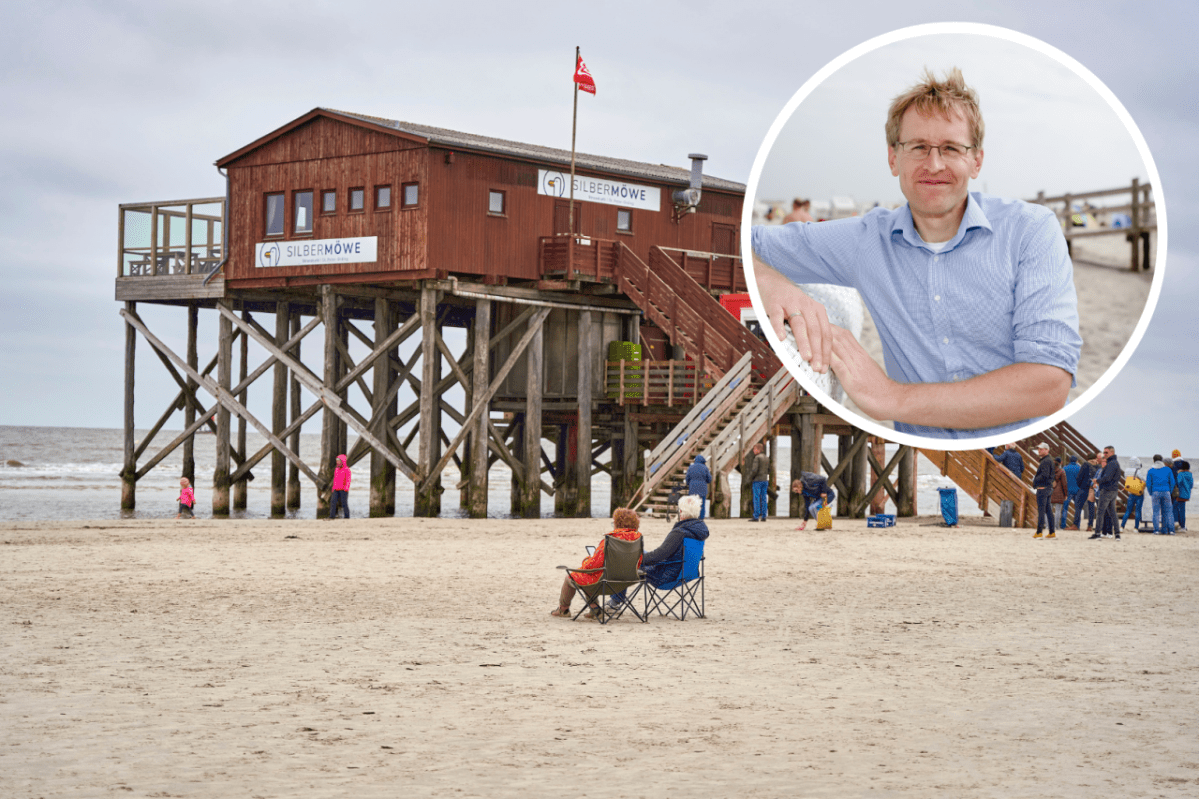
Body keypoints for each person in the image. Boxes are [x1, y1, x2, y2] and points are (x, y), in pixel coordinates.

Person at [751, 67, 1081, 438]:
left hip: (1025, 457)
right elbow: (743, 242)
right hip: (924, 453)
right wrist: (771, 285)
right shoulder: (865, 241)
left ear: (977, 160)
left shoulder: (1030, 230)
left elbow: (1049, 382)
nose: (934, 164)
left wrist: (892, 397)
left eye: (951, 148)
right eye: (919, 147)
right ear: (893, 158)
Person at [607, 495, 709, 612]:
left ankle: (615, 601)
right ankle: (616, 600)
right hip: (685, 573)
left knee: (624, 561)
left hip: (665, 576)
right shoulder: (699, 532)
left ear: (680, 512)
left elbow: (658, 556)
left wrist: (635, 558)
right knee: (635, 553)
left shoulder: (680, 532)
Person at [552, 508, 642, 619]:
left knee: (572, 577)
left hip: (605, 582)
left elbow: (593, 565)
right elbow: (639, 561)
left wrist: (586, 560)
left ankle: (563, 609)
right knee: (589, 576)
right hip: (627, 580)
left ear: (617, 523)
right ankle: (595, 609)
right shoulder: (638, 539)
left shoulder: (611, 539)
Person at [1091, 445, 1121, 540]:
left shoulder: (1112, 464)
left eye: (1106, 452)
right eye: (1103, 452)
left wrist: (1097, 481)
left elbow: (1107, 477)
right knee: (1113, 513)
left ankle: (1097, 534)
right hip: (1113, 491)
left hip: (1107, 490)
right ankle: (1117, 534)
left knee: (1100, 512)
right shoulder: (1115, 463)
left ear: (1112, 452)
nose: (1104, 454)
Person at [1145, 455, 1176, 535]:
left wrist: (1151, 492)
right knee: (1168, 511)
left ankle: (1156, 530)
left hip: (1155, 491)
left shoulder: (1151, 470)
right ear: (1162, 460)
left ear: (1153, 460)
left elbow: (1148, 483)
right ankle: (1169, 530)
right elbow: (1172, 482)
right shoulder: (1168, 469)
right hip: (1166, 491)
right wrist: (1170, 490)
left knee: (1156, 512)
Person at [1031, 442, 1055, 539]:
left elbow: (1045, 475)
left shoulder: (1046, 461)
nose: (1039, 451)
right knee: (1048, 511)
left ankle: (1039, 532)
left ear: (1047, 450)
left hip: (1043, 488)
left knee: (1041, 511)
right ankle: (1052, 532)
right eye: (1038, 449)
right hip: (1048, 488)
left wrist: (1035, 480)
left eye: (1041, 449)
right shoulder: (1049, 460)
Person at [747, 443, 770, 522]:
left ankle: (756, 516)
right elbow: (769, 469)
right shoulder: (766, 458)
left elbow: (754, 470)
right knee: (763, 498)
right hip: (765, 480)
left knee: (756, 498)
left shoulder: (757, 458)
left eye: (754, 449)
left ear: (758, 449)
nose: (753, 451)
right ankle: (764, 516)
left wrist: (751, 478)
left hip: (757, 480)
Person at [686, 454, 712, 520]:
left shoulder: (691, 467)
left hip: (693, 489)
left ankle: (693, 518)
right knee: (702, 505)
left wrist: (689, 484)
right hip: (702, 489)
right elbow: (709, 479)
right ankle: (701, 519)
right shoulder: (705, 468)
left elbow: (687, 479)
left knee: (692, 504)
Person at [1121, 462, 1146, 532]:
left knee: (1128, 511)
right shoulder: (1137, 471)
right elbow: (1143, 479)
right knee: (1137, 511)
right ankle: (1136, 528)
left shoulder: (1126, 471)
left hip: (1131, 493)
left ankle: (1122, 527)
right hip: (1138, 494)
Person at [329, 454, 351, 519]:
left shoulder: (347, 469)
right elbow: (335, 479)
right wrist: (333, 488)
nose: (337, 462)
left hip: (343, 489)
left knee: (344, 503)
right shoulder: (336, 469)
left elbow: (348, 480)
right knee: (333, 502)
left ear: (342, 461)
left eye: (338, 461)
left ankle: (347, 517)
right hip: (336, 489)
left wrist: (346, 488)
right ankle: (332, 516)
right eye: (336, 461)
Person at [1062, 454, 1081, 528]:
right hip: (1077, 490)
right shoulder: (1079, 468)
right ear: (1077, 461)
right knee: (1077, 508)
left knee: (1065, 508)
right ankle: (1077, 525)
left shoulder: (1065, 468)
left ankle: (1063, 525)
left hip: (1067, 490)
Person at [1051, 457, 1068, 530]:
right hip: (1059, 493)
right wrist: (1066, 494)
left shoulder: (1049, 471)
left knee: (1049, 510)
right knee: (1058, 511)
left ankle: (1048, 526)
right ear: (1060, 463)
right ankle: (1056, 526)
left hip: (1050, 492)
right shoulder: (1062, 471)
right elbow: (1064, 484)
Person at [1174, 460, 1192, 532]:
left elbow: (1178, 482)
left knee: (1175, 507)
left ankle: (1179, 524)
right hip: (1187, 494)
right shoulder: (1190, 474)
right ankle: (1183, 526)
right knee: (1182, 510)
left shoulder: (1181, 474)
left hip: (1180, 494)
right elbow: (1191, 485)